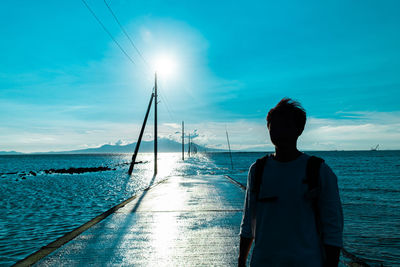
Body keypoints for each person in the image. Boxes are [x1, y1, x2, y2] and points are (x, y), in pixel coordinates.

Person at [238, 98, 343, 267]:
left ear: (299, 129)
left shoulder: (319, 171)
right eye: (275, 126)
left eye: (286, 125)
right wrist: (241, 260)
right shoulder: (257, 170)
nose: (280, 131)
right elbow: (248, 222)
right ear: (268, 129)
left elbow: (333, 228)